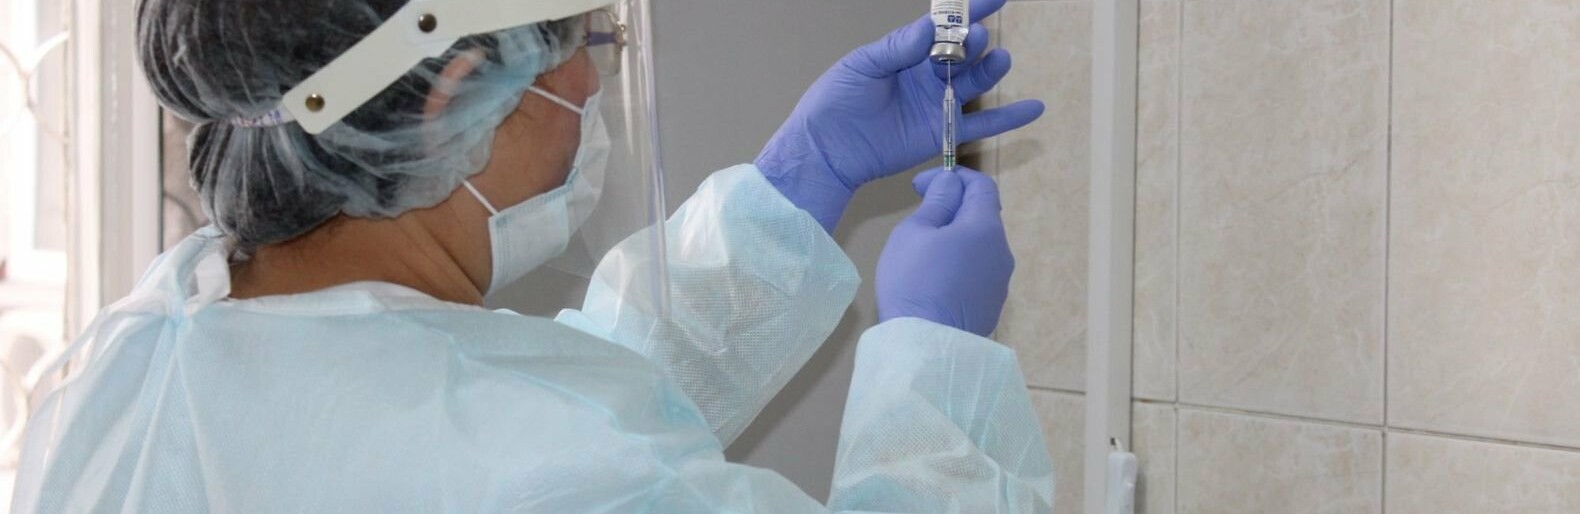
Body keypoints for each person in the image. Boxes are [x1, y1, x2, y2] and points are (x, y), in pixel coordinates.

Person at [13, 0, 1055, 511]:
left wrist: (794, 189)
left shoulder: (143, 355)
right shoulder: (517, 469)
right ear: (454, 94)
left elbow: (563, 406)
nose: (591, 87)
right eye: (577, 48)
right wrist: (936, 369)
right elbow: (559, 461)